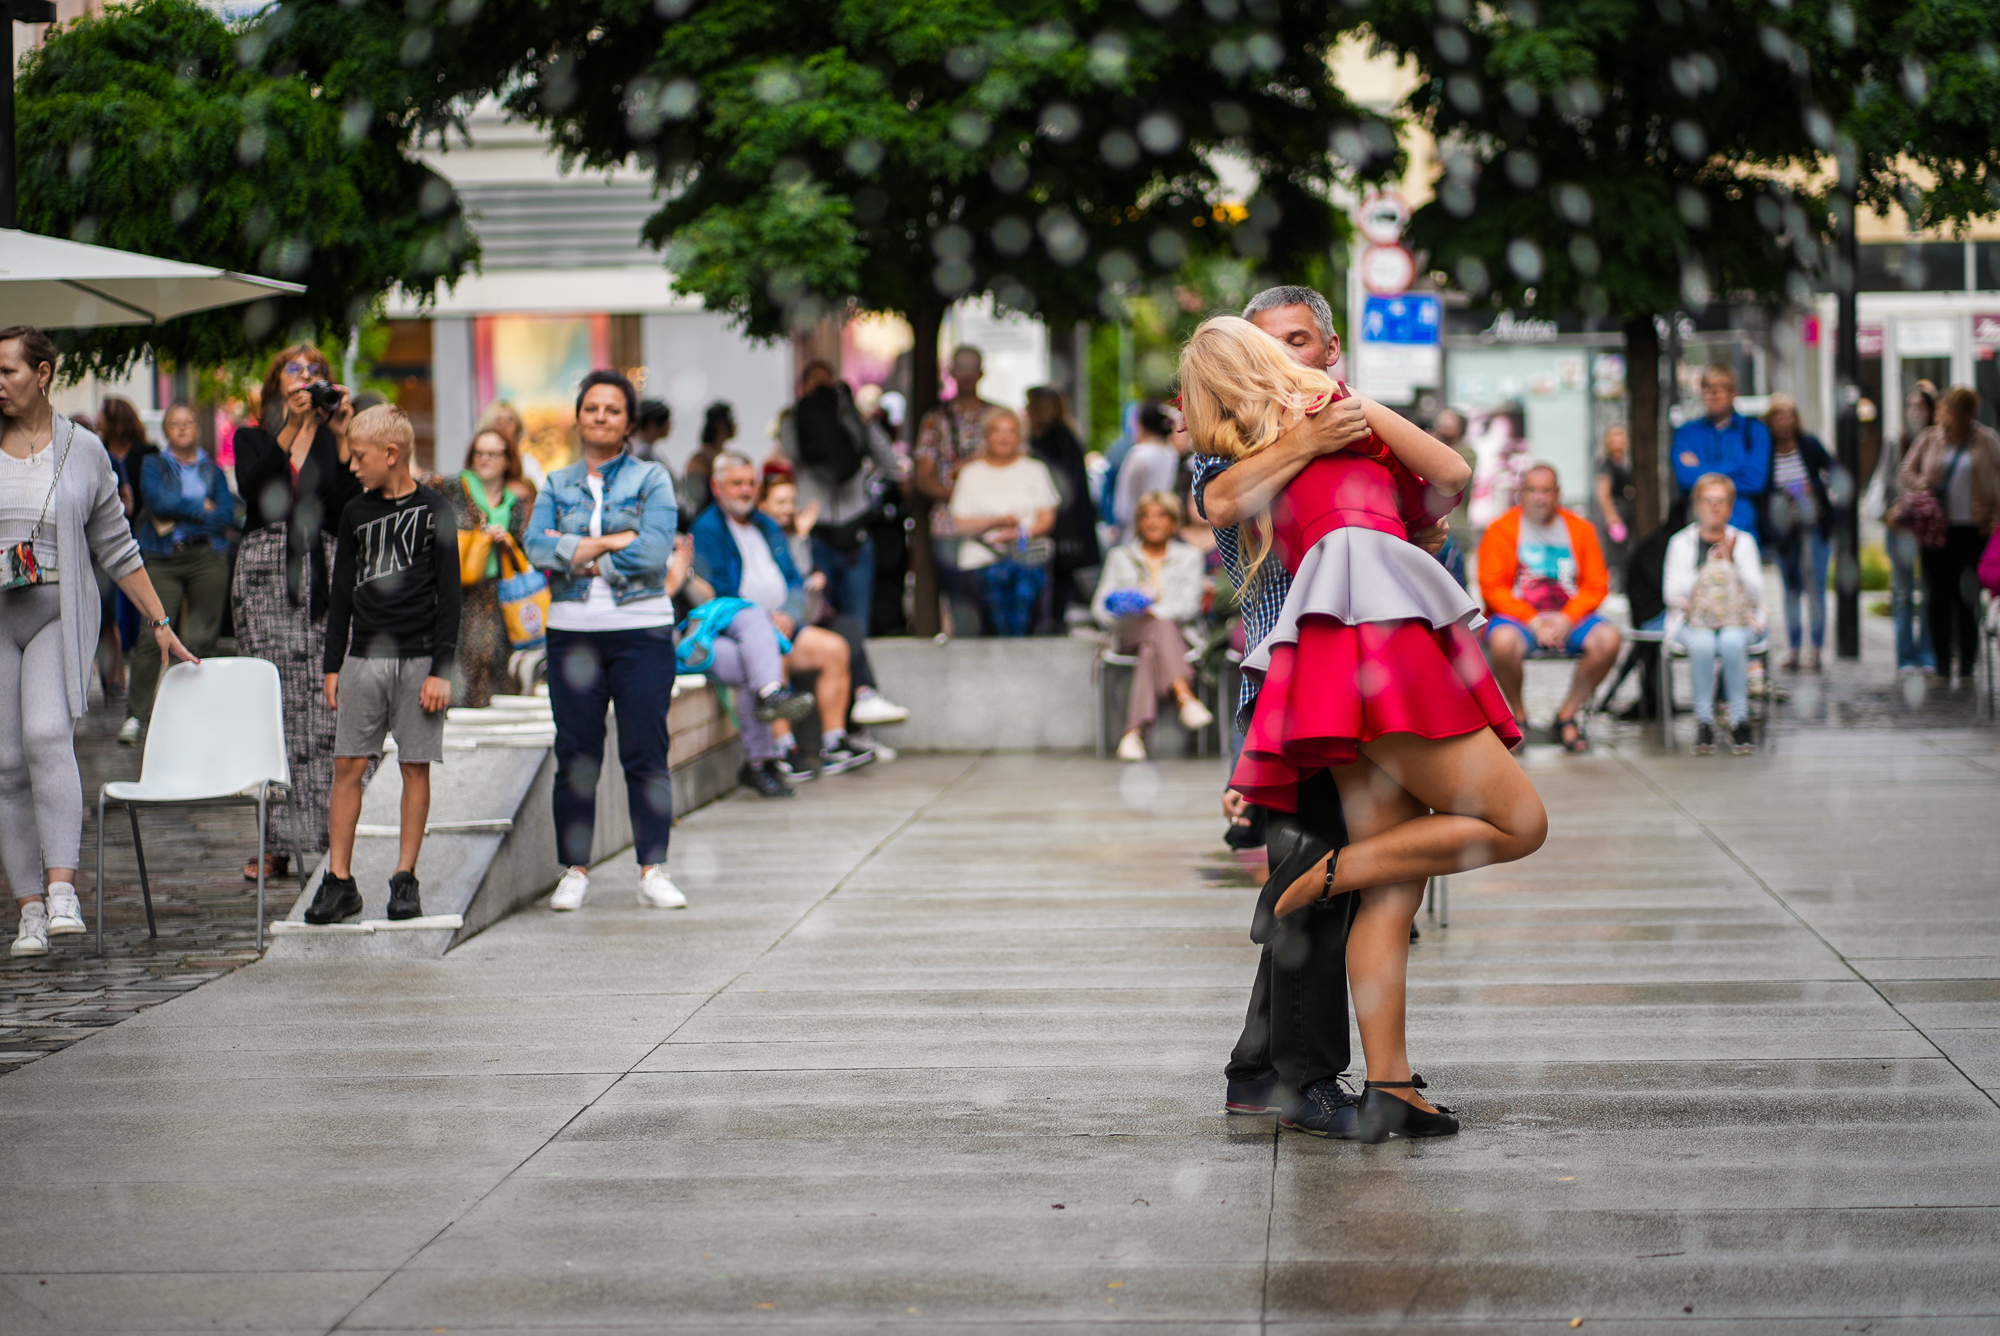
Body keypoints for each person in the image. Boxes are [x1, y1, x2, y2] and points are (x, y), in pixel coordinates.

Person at [1182, 313, 1542, 1144]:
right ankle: (1317, 901)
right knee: (1518, 823)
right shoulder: (1287, 434)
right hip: (1375, 646)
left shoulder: (1272, 439)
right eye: (1281, 342)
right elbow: (1449, 469)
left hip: (1323, 662)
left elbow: (1436, 490)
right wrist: (1347, 417)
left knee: (1392, 888)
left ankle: (1388, 1083)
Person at [1192, 284, 1444, 1134]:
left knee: (1331, 886)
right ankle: (1299, 1079)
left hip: (1373, 687)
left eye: (1300, 341)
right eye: (1268, 346)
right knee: (1317, 888)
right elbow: (1221, 503)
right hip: (1292, 699)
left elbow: (1432, 501)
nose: (1285, 359)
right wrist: (1306, 437)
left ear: (1330, 349)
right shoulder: (1235, 436)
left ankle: (1259, 1071)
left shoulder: (1357, 423)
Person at [0, 327, 197, 956]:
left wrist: (161, 623)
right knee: (4, 765)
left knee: (46, 736)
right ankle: (28, 907)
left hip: (57, 609)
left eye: (8, 370)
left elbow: (116, 545)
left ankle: (63, 890)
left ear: (44, 372)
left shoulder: (84, 450)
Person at [523, 370, 688, 914]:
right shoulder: (554, 484)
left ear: (628, 423)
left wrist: (579, 552)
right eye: (591, 408)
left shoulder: (653, 479)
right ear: (577, 417)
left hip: (641, 633)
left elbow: (655, 550)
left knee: (646, 753)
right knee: (576, 755)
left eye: (612, 410)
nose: (600, 417)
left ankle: (651, 868)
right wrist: (615, 541)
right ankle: (573, 870)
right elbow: (535, 549)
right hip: (573, 635)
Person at [307, 406, 460, 924]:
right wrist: (334, 665)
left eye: (359, 457)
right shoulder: (355, 512)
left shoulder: (436, 510)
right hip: (364, 657)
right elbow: (341, 594)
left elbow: (450, 597)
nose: (353, 467)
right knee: (348, 764)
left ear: (391, 454)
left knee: (414, 767)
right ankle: (339, 880)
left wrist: (442, 668)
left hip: (420, 660)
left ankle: (404, 878)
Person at [231, 342, 364, 883]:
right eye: (295, 368)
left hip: (326, 573)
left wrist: (341, 432)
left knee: (327, 707)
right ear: (276, 382)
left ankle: (331, 838)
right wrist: (290, 427)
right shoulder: (254, 436)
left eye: (315, 371)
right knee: (272, 709)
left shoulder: (338, 438)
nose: (305, 377)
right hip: (265, 578)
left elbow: (344, 501)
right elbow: (254, 488)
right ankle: (274, 842)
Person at [694, 453, 877, 774]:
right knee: (770, 649)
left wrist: (790, 615)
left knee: (835, 649)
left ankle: (833, 742)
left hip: (784, 621)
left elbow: (794, 578)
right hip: (740, 630)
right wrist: (764, 621)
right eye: (736, 483)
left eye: (751, 483)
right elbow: (718, 592)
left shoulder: (765, 524)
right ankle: (783, 750)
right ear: (717, 486)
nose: (746, 490)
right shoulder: (708, 529)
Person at [1477, 464, 1623, 753]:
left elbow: (1596, 584)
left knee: (1609, 640)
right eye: (1532, 490)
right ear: (1521, 493)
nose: (1539, 498)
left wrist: (1567, 619)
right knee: (1502, 643)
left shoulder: (1580, 529)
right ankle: (1518, 717)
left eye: (1546, 491)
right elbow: (1491, 586)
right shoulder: (1501, 529)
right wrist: (1533, 621)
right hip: (1519, 619)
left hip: (1569, 617)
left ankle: (1567, 716)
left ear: (1558, 493)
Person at [124, 403, 233, 741]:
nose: (183, 428)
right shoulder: (154, 464)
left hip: (206, 555)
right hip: (163, 556)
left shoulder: (212, 470)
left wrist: (186, 512)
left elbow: (226, 515)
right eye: (175, 423)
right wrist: (201, 507)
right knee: (152, 633)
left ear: (197, 429)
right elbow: (156, 501)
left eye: (189, 422)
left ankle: (190, 713)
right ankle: (136, 716)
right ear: (166, 430)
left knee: (202, 638)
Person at [775, 361, 904, 633]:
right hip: (817, 534)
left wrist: (855, 419)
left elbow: (889, 461)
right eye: (815, 382)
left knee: (858, 625)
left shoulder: (849, 417)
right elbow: (792, 453)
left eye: (827, 381)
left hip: (856, 532)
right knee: (817, 625)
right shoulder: (795, 419)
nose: (822, 388)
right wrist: (807, 413)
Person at [1092, 491, 1213, 761]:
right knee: (1155, 629)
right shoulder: (1120, 556)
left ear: (1173, 522)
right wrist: (1121, 608)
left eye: (1161, 516)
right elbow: (1099, 607)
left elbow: (1189, 605)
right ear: (1138, 523)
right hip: (1128, 632)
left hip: (1177, 636)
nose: (1153, 522)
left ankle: (1133, 734)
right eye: (1146, 516)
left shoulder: (1189, 556)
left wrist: (1150, 611)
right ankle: (1185, 698)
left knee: (1152, 644)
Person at [1897, 384, 2000, 686]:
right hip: (1936, 529)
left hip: (1973, 528)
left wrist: (1994, 518)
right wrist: (1924, 485)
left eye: (1964, 411)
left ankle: (1968, 660)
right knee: (1937, 596)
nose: (1957, 417)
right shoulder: (1930, 439)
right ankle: (1941, 661)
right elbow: (1904, 474)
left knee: (1967, 597)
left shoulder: (1987, 441)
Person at [1665, 473, 1766, 755]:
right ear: (1697, 505)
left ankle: (1739, 719)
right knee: (1704, 643)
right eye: (1708, 501)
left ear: (1730, 507)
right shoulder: (1680, 543)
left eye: (1721, 501)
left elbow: (1757, 592)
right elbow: (1672, 594)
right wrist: (1708, 569)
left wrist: (1731, 561)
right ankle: (1704, 719)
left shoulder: (1743, 542)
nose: (1714, 507)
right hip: (1693, 620)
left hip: (1737, 619)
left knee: (1732, 642)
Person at [946, 408, 1059, 637]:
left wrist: (1021, 533)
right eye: (997, 431)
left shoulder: (1034, 470)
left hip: (1027, 560)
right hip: (980, 561)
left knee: (1029, 625)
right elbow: (959, 522)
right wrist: (995, 522)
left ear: (1020, 436)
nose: (1004, 437)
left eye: (1011, 432)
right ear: (986, 436)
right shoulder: (971, 473)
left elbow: (1047, 518)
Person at [446, 427, 536, 707]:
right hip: (460, 594)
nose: (485, 459)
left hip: (501, 595)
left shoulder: (514, 501)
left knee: (499, 666)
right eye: (480, 453)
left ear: (508, 460)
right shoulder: (454, 487)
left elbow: (524, 548)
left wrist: (506, 541)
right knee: (462, 664)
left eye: (493, 454)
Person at [913, 345, 1000, 634]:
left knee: (995, 602)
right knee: (961, 603)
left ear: (981, 373)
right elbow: (923, 475)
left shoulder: (998, 419)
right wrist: (960, 496)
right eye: (960, 369)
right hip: (949, 525)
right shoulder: (935, 420)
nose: (966, 376)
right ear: (951, 373)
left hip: (995, 523)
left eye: (971, 369)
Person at [1760, 395, 1838, 673]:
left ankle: (1815, 649)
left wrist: (1812, 486)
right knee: (1790, 589)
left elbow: (1834, 471)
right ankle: (1793, 648)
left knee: (1815, 588)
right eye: (1777, 415)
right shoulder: (1765, 449)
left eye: (1788, 414)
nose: (1783, 420)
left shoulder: (1809, 444)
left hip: (1813, 524)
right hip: (1783, 530)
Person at [1872, 384, 1938, 675]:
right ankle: (1905, 658)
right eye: (1910, 405)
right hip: (1900, 526)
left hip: (1929, 526)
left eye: (1920, 406)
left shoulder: (1938, 440)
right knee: (1902, 592)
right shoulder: (1895, 440)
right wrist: (1892, 512)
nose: (1914, 411)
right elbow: (1887, 480)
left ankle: (1927, 653)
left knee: (1929, 590)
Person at [1025, 385, 1101, 628]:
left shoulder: (1053, 441)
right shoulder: (1064, 437)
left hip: (1062, 528)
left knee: (1056, 593)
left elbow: (1062, 490)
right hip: (1068, 527)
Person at [94, 396, 151, 709]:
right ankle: (111, 681)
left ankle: (120, 681)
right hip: (101, 548)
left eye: (101, 414)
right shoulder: (98, 453)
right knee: (107, 617)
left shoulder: (141, 456)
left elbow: (133, 502)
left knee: (121, 616)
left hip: (135, 539)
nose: (97, 419)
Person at [1672, 365, 1769, 533]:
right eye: (1708, 387)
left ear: (1733, 393)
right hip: (1697, 530)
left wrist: (1702, 469)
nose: (1714, 393)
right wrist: (1737, 468)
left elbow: (1756, 480)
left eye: (1722, 387)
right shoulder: (1686, 432)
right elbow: (1685, 478)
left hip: (1743, 527)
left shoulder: (1754, 431)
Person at [1110, 402, 1181, 538]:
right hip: (1163, 518)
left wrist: (1120, 521)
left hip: (1137, 523)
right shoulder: (1171, 452)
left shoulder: (1138, 453)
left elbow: (1124, 498)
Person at [1431, 407, 1479, 586]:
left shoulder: (1466, 454)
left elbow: (1446, 475)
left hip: (1453, 529)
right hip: (1431, 527)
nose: (1442, 426)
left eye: (1449, 423)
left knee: (1454, 585)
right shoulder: (1431, 445)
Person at [1592, 423, 1636, 586]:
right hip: (1616, 512)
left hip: (1628, 511)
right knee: (1614, 555)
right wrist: (1612, 517)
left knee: (1626, 553)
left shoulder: (1625, 464)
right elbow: (1603, 494)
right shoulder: (1606, 466)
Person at [680, 401, 736, 522]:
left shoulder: (726, 455)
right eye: (732, 420)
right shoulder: (699, 461)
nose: (736, 425)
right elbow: (695, 502)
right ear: (721, 424)